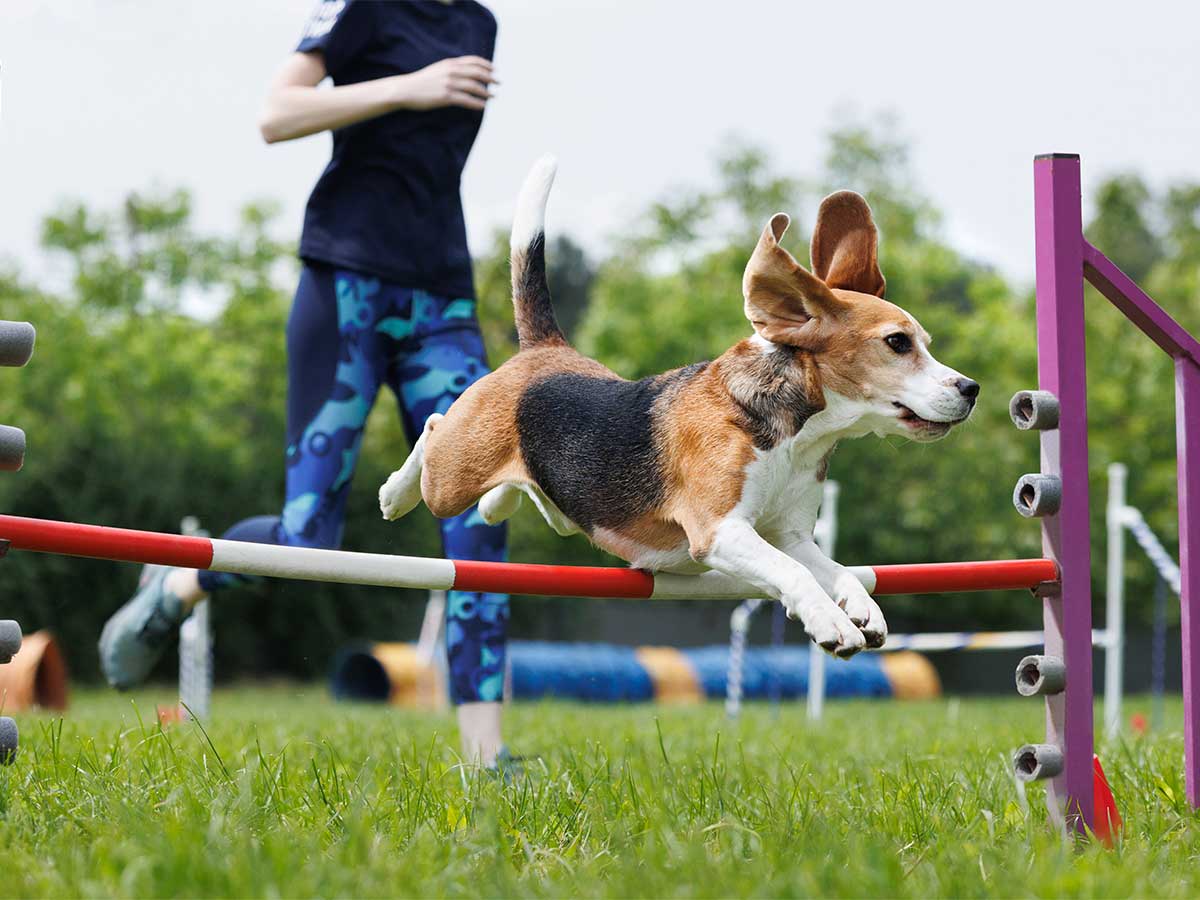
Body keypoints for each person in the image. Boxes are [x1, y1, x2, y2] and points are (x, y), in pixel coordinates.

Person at [98, 0, 513, 769]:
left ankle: (485, 762)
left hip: (443, 301)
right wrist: (408, 85)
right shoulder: (363, 7)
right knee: (306, 538)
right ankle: (177, 586)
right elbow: (276, 114)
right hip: (345, 286)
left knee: (482, 513)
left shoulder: (479, 24)